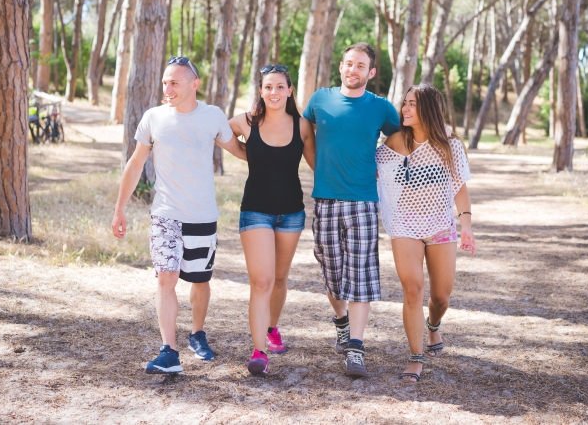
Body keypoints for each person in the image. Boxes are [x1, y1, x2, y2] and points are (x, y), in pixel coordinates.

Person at [111, 56, 247, 374]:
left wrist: (272, 145)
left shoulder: (212, 116)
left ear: (194, 84)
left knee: (200, 281)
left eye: (174, 82)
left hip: (202, 215)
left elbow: (240, 151)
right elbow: (135, 164)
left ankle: (197, 333)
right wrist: (119, 208)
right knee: (166, 278)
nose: (167, 88)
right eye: (165, 82)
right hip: (165, 214)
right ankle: (169, 351)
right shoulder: (154, 118)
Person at [302, 42, 400, 378]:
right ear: (341, 66)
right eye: (348, 64)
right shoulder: (320, 100)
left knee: (360, 274)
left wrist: (381, 163)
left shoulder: (381, 107)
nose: (352, 70)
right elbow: (303, 135)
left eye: (360, 66)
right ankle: (341, 321)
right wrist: (319, 170)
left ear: (371, 72)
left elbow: (402, 138)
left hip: (363, 202)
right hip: (326, 200)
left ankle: (356, 348)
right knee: (332, 273)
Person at [375, 83, 475, 383]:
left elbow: (459, 189)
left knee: (441, 296)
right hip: (404, 224)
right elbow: (372, 168)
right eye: (404, 103)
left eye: (412, 104)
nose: (404, 109)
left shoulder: (449, 146)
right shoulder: (395, 141)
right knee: (412, 289)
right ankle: (416, 357)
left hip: (441, 225)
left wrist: (466, 226)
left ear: (428, 109)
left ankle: (433, 325)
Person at [228, 65, 316, 375]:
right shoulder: (246, 121)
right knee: (261, 281)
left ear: (290, 91)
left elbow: (318, 165)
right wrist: (248, 152)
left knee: (279, 278)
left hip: (291, 212)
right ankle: (259, 352)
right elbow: (220, 135)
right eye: (268, 87)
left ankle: (271, 328)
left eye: (280, 87)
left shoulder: (302, 126)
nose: (274, 92)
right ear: (261, 91)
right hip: (255, 210)